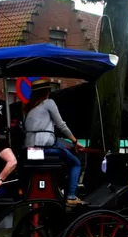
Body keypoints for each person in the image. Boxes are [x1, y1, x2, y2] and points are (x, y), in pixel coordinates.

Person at [23, 78, 83, 206]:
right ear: (47, 92)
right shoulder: (48, 103)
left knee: (62, 152)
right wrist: (75, 141)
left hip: (31, 152)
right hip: (45, 149)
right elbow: (61, 125)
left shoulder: (29, 109)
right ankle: (71, 195)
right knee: (76, 163)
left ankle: (58, 189)